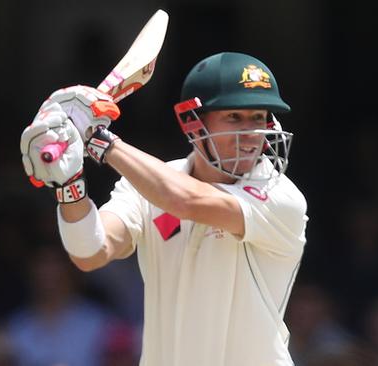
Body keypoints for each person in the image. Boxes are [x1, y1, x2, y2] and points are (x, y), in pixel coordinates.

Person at [20, 52, 308, 365]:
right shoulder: (146, 187)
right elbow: (90, 253)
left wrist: (97, 139)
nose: (251, 134)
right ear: (192, 122)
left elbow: (185, 201)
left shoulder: (279, 195)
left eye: (258, 117)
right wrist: (69, 185)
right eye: (234, 117)